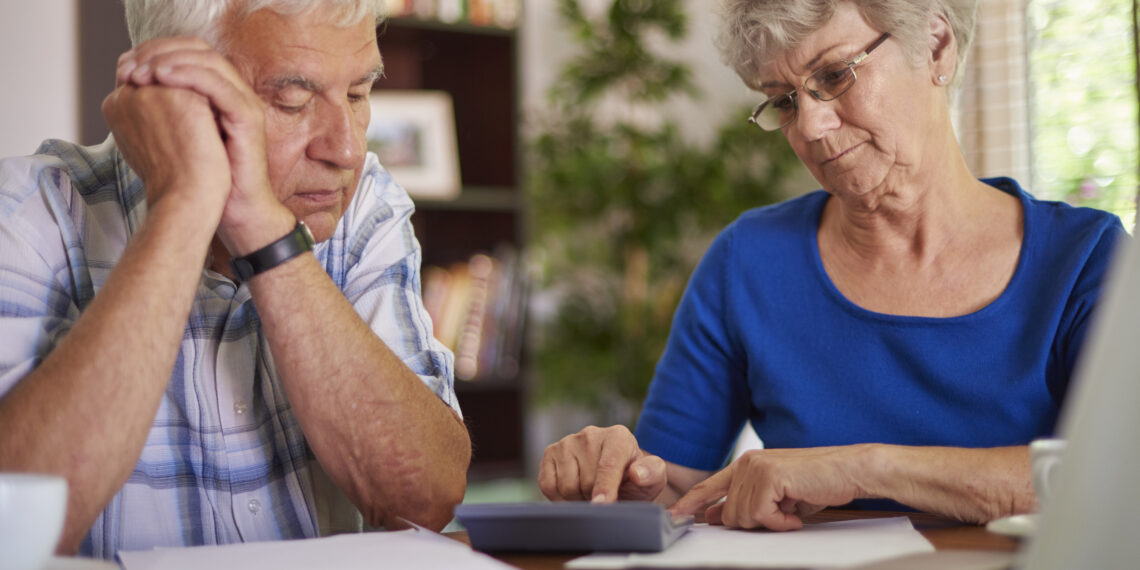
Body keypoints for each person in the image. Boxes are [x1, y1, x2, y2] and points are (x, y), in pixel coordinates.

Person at [538, 0, 1128, 531]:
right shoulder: (749, 261)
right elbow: (675, 491)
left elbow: (1117, 475)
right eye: (784, 100)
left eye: (834, 74)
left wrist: (864, 469)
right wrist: (615, 477)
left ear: (937, 46)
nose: (811, 127)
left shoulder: (1084, 259)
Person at [0, 0, 470, 559]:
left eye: (358, 94)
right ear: (175, 98)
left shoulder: (362, 206)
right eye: (292, 102)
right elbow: (17, 528)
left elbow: (424, 498)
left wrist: (266, 234)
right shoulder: (31, 214)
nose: (346, 149)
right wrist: (183, 203)